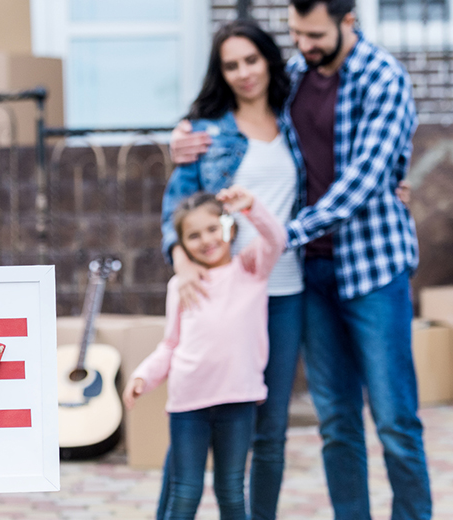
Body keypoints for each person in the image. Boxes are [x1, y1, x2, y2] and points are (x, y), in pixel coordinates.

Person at [170, 1, 433, 519]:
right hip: (312, 273)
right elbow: (243, 116)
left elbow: (361, 181)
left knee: (395, 420)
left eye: (314, 35)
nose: (303, 45)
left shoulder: (384, 78)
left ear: (348, 23)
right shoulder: (295, 73)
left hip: (373, 267)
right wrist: (183, 134)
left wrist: (279, 234)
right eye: (295, 34)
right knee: (336, 421)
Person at [157, 19, 304, 520]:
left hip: (286, 289)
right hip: (224, 292)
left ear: (268, 60)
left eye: (252, 60)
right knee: (195, 419)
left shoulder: (296, 119)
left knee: (271, 430)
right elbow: (175, 208)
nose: (244, 73)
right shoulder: (204, 131)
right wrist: (180, 259)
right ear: (220, 73)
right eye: (231, 65)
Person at [126, 187, 286, 520]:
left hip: (238, 401)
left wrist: (252, 207)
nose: (206, 240)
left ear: (228, 227)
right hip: (189, 406)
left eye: (213, 229)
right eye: (194, 235)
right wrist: (144, 375)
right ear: (182, 245)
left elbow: (277, 239)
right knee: (185, 491)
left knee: (231, 491)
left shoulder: (251, 270)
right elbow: (170, 345)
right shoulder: (181, 285)